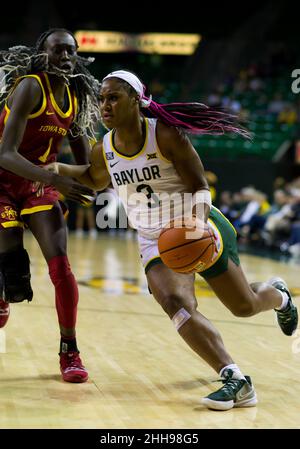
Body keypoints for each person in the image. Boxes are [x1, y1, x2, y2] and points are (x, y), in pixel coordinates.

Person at [48, 70, 298, 409]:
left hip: (197, 227)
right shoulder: (102, 148)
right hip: (154, 239)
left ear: (135, 101)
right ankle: (235, 378)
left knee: (244, 306)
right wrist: (56, 169)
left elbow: (200, 186)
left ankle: (278, 296)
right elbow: (93, 179)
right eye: (102, 99)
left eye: (113, 98)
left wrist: (195, 225)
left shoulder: (165, 134)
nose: (104, 106)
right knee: (176, 304)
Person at [0, 28, 100, 383]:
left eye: (71, 51)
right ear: (42, 54)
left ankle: (69, 350)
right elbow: (5, 154)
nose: (66, 56)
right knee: (14, 276)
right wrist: (57, 178)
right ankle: (4, 287)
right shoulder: (30, 85)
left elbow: (88, 166)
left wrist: (110, 174)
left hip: (40, 185)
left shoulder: (74, 96)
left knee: (61, 267)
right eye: (58, 50)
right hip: (3, 181)